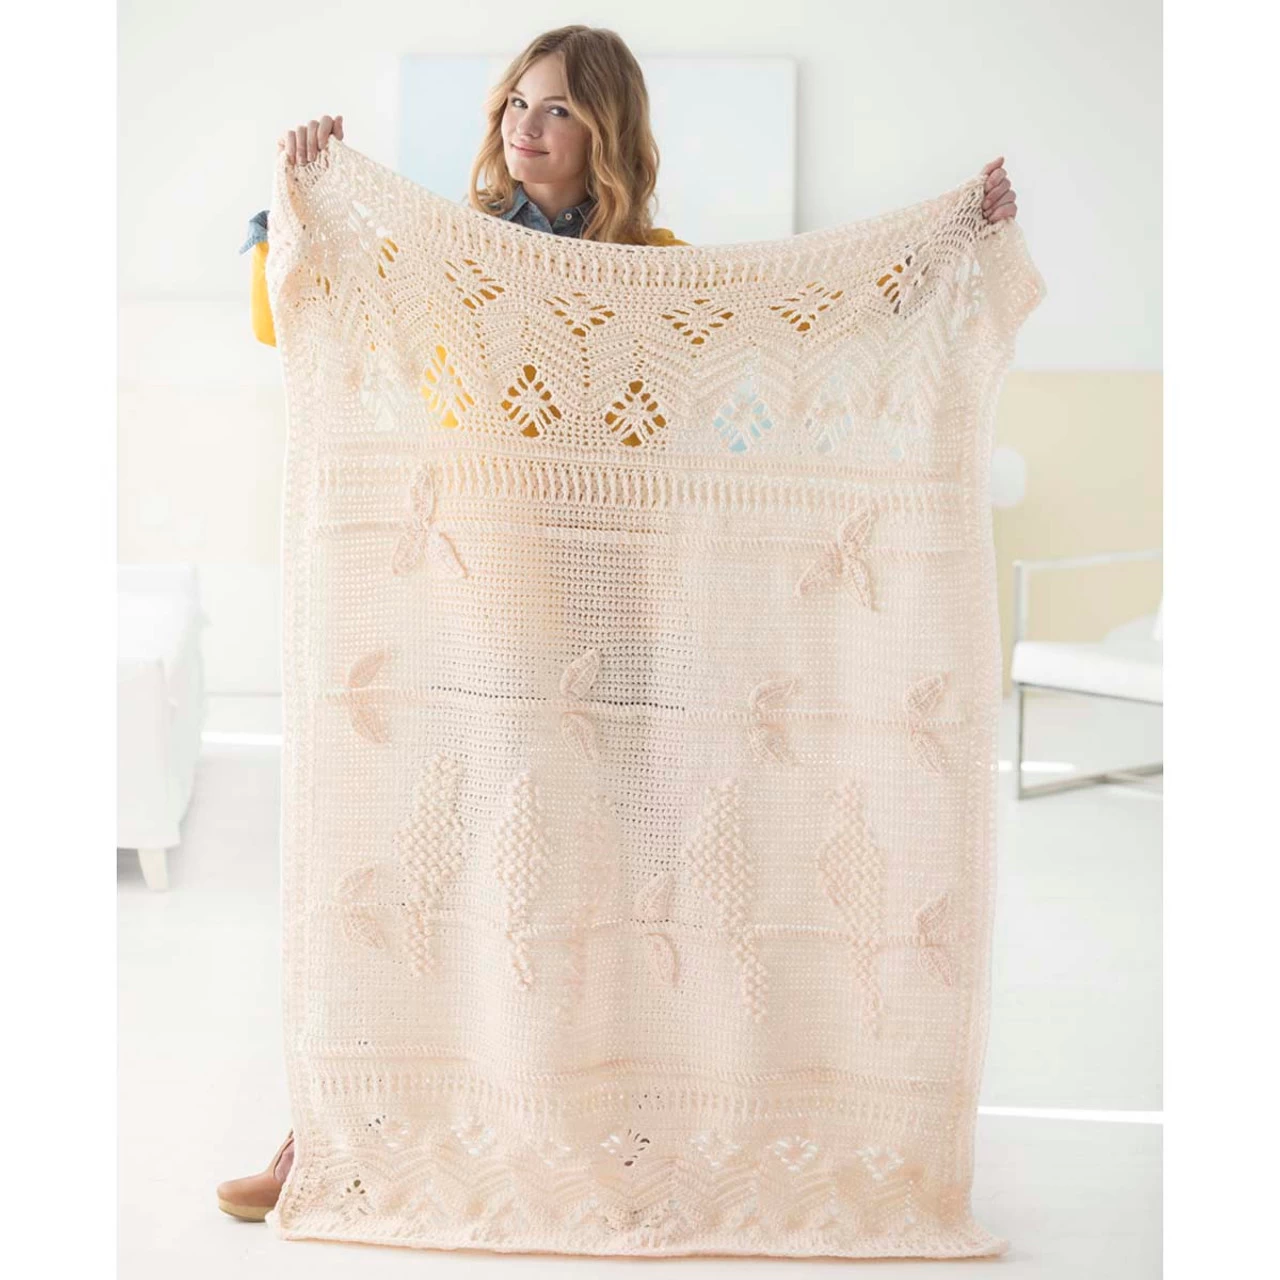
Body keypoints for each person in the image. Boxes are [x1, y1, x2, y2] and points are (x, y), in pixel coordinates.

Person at [216, 22, 1018, 1224]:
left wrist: (937, 253)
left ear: (607, 133)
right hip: (475, 609)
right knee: (427, 876)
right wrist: (288, 206)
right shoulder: (453, 252)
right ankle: (335, 1133)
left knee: (632, 885)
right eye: (514, 105)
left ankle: (631, 1134)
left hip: (625, 619)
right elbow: (293, 319)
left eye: (556, 110)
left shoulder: (657, 270)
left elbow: (800, 327)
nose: (524, 128)